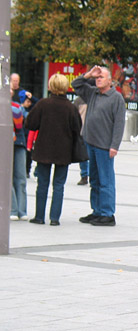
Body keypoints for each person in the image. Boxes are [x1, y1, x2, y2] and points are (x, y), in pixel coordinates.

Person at [25, 74, 82, 226]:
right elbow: (77, 128)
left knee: (42, 184)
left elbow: (30, 123)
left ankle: (39, 216)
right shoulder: (70, 107)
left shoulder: (43, 104)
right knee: (59, 185)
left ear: (50, 86)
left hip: (44, 149)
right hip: (64, 151)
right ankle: (55, 218)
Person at [72, 65, 126, 226]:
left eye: (101, 77)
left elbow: (119, 124)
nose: (98, 79)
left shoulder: (116, 98)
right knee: (94, 180)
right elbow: (76, 84)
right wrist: (88, 74)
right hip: (91, 142)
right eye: (97, 77)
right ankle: (97, 211)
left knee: (105, 180)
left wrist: (114, 145)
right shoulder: (93, 93)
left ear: (110, 80)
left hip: (104, 145)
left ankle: (107, 213)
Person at [10, 88, 28, 221]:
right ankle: (13, 210)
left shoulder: (16, 107)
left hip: (19, 142)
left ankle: (22, 210)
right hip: (6, 144)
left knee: (20, 177)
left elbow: (20, 124)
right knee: (7, 179)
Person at [73, 97, 89, 185]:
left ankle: (84, 175)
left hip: (83, 131)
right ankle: (86, 175)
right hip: (86, 131)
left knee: (83, 155)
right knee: (86, 155)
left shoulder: (78, 101)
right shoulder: (95, 98)